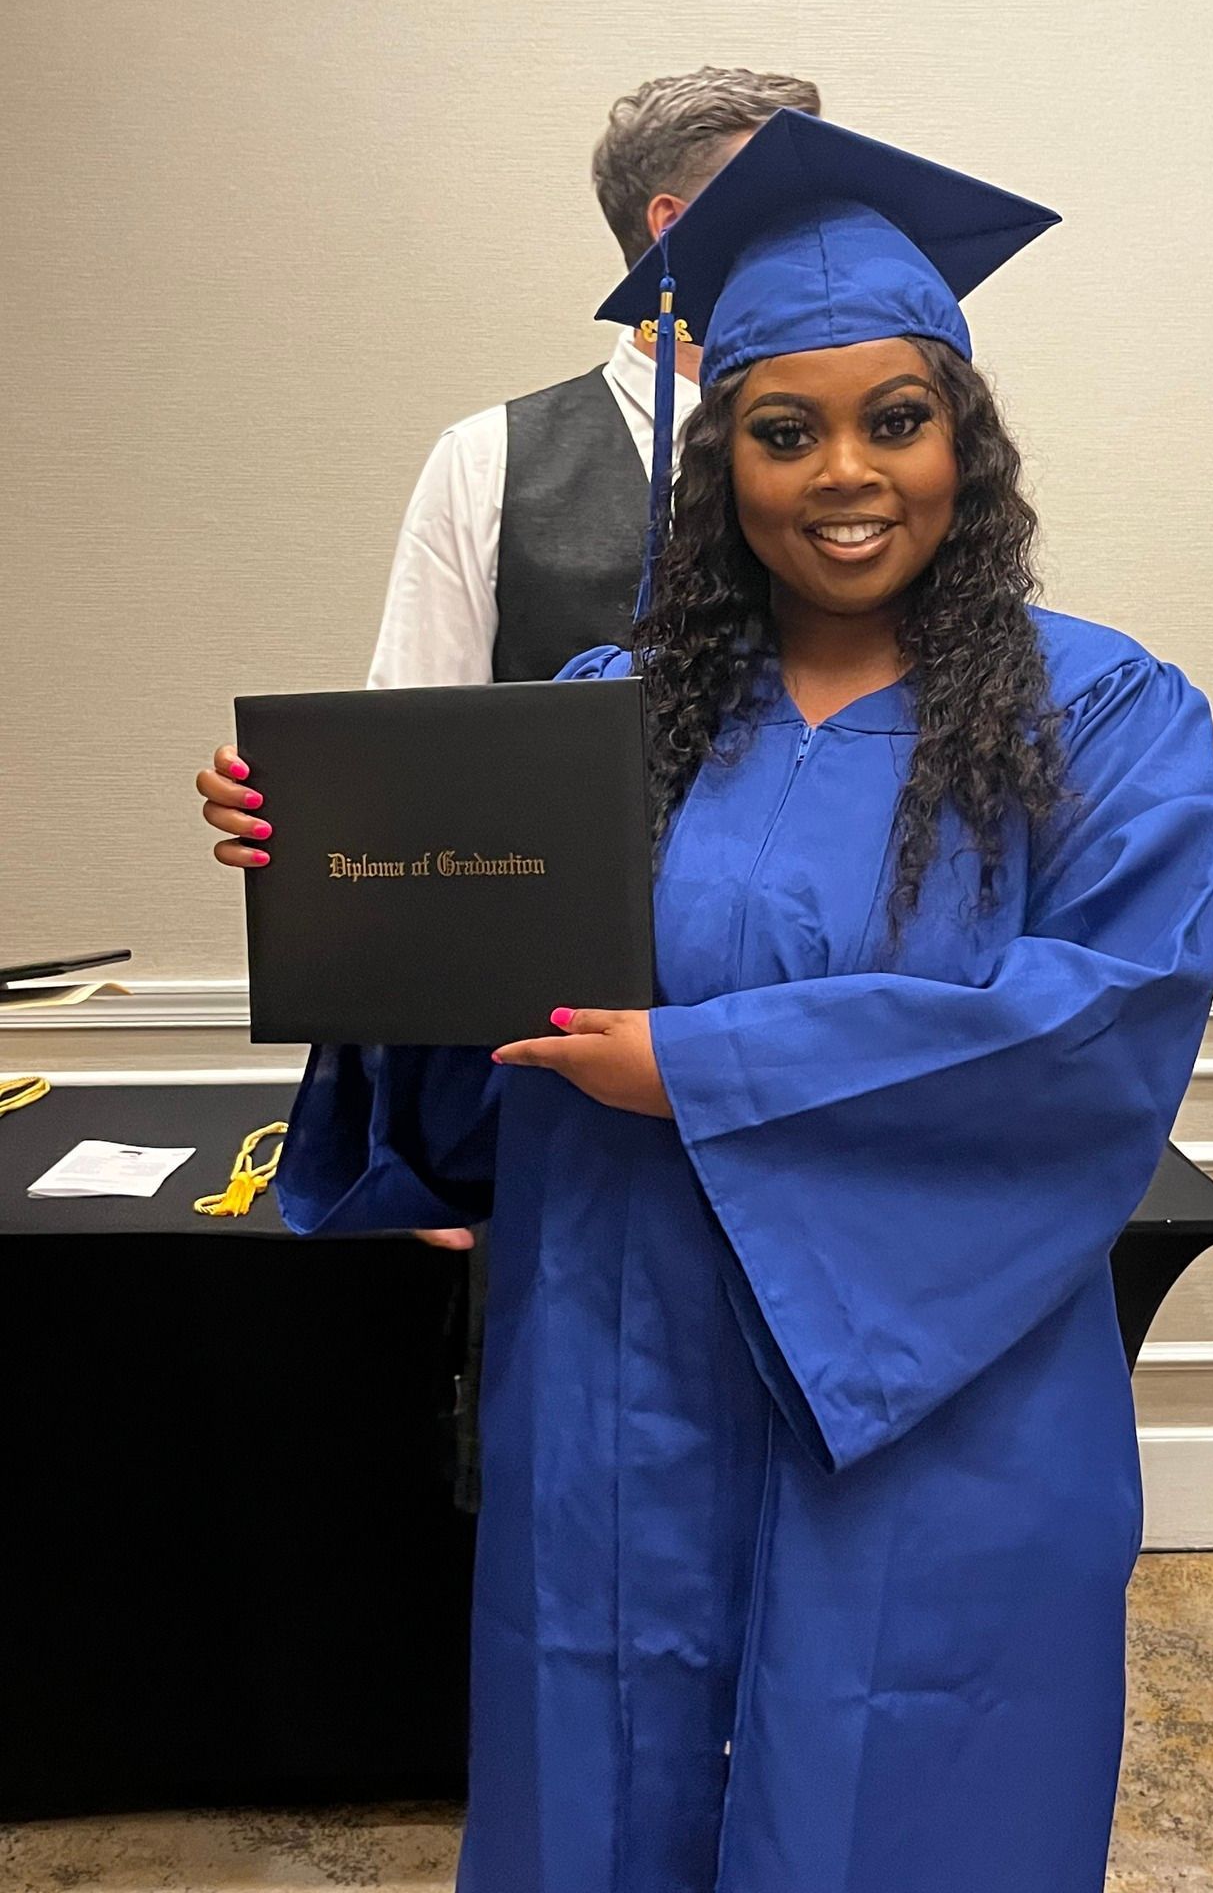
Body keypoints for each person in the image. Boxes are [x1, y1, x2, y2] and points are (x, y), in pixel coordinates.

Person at [258, 112, 1213, 1891]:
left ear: (966, 439)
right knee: (605, 1769)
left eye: (896, 420)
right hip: (622, 1364)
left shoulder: (1103, 715)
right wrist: (325, 872)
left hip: (936, 1377)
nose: (844, 473)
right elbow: (467, 1008)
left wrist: (695, 1066)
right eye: (785, 431)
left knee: (909, 1773)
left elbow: (1094, 1028)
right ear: (725, 461)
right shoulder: (608, 709)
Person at [197, 63, 820, 1267]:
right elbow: (408, 767)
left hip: (804, 1048)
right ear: (674, 228)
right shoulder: (492, 461)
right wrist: (302, 812)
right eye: (788, 198)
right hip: (554, 1083)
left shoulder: (869, 474)